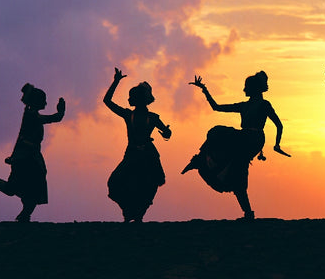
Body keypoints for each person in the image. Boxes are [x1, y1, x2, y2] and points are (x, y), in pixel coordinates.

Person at [182, 71, 290, 220]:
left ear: (254, 88)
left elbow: (279, 125)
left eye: (247, 87)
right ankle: (248, 213)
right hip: (243, 139)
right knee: (236, 170)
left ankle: (200, 159)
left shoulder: (264, 105)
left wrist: (277, 144)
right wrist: (204, 89)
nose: (244, 90)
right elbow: (216, 107)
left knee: (217, 133)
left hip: (253, 139)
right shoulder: (244, 106)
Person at [0, 84, 65, 222]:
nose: (46, 103)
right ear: (36, 101)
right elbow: (53, 118)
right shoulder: (31, 115)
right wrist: (60, 112)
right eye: (43, 100)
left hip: (28, 157)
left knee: (28, 187)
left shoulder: (31, 114)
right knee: (23, 188)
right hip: (26, 158)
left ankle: (25, 213)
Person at [104, 68, 172, 223]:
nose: (130, 100)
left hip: (147, 154)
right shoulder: (132, 115)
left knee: (149, 184)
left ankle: (138, 214)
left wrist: (166, 132)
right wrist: (116, 81)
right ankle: (129, 212)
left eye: (132, 97)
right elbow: (107, 102)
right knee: (116, 182)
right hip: (133, 154)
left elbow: (167, 133)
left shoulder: (150, 117)